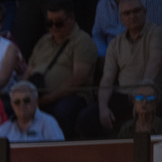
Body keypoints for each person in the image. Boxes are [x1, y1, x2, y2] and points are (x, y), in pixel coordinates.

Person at [80, 0, 162, 139]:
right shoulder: (115, 44)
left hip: (151, 94)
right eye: (127, 13)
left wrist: (143, 90)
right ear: (121, 18)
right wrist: (103, 108)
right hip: (125, 95)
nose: (132, 16)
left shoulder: (157, 33)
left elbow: (155, 61)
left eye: (136, 11)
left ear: (145, 12)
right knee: (86, 118)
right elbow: (107, 78)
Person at [23, 0, 95, 139]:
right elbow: (28, 71)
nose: (54, 27)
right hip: (38, 96)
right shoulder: (43, 41)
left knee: (62, 111)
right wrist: (24, 95)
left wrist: (48, 98)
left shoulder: (82, 41)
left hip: (71, 96)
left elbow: (79, 78)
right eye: (50, 23)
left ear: (72, 18)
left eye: (59, 22)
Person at [0, 80, 64, 140]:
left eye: (26, 100)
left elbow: (60, 151)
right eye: (17, 102)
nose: (22, 105)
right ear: (12, 105)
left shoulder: (48, 122)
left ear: (36, 101)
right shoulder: (4, 129)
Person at [93, 0, 162, 57]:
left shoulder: (149, 2)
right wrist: (104, 54)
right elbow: (97, 34)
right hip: (109, 55)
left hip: (139, 56)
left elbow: (156, 34)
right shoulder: (103, 4)